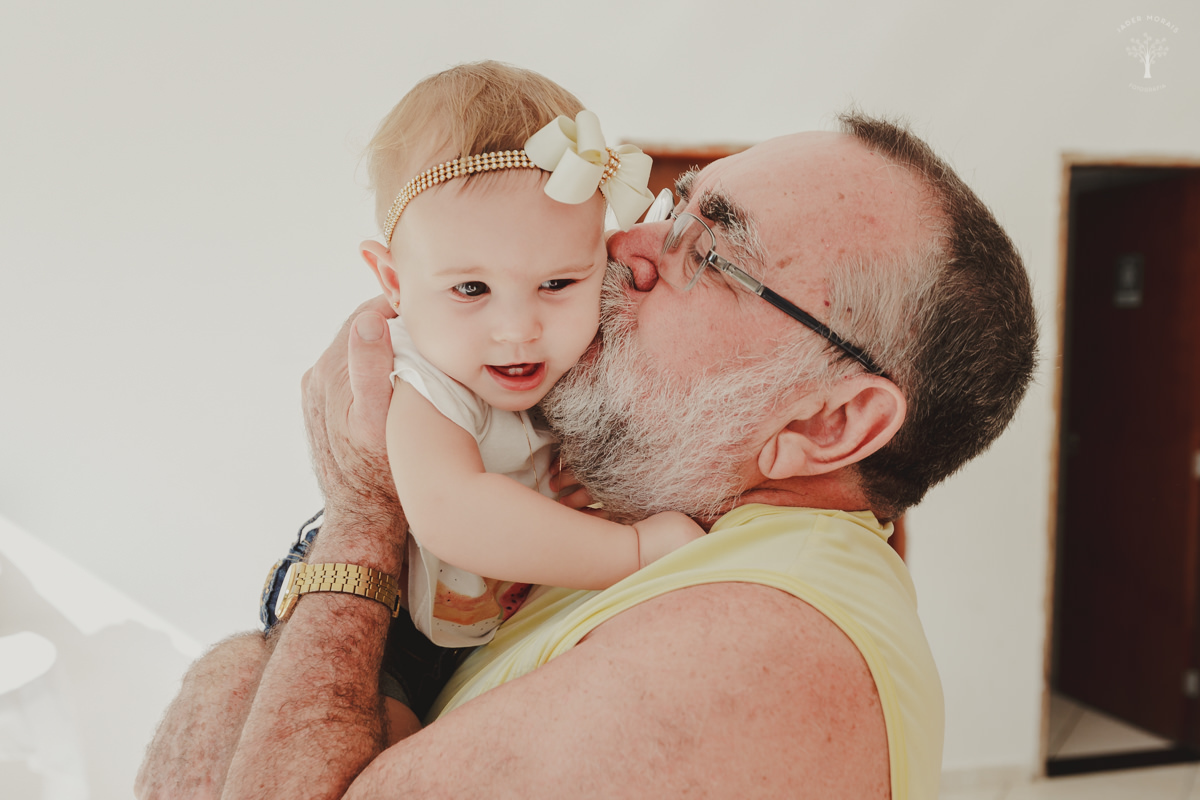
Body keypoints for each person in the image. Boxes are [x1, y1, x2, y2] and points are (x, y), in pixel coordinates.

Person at [136, 106, 1037, 799]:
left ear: (828, 425)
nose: (622, 246)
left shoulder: (764, 653)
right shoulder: (649, 522)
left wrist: (363, 511)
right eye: (666, 206)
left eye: (710, 251)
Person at [313, 63, 703, 726]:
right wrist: (629, 553)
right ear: (394, 281)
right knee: (377, 745)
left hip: (501, 616)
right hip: (399, 627)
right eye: (471, 290)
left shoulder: (591, 339)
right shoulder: (423, 381)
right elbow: (451, 509)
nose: (519, 330)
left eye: (558, 284)